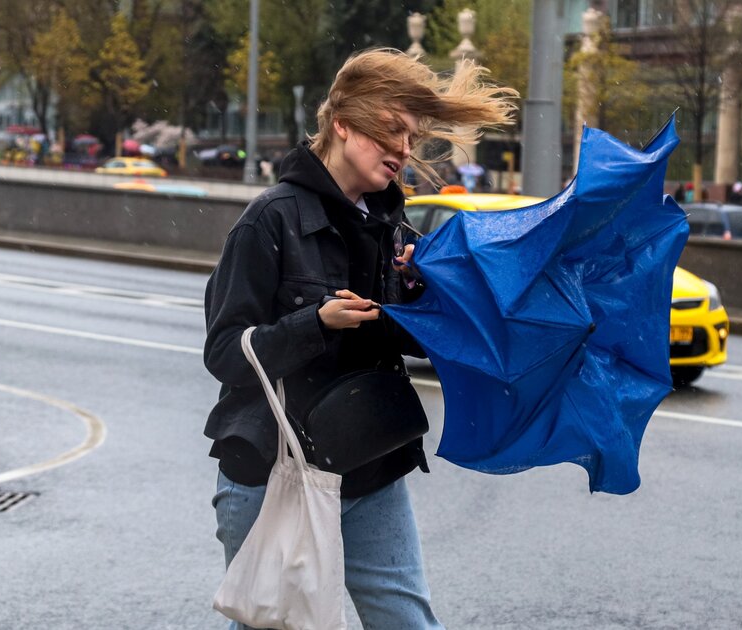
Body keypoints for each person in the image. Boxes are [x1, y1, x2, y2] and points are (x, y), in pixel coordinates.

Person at [203, 48, 516, 629]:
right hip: (274, 471)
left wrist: (428, 294)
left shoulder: (393, 228)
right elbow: (225, 353)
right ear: (343, 122)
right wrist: (314, 324)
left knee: (408, 621)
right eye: (391, 131)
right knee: (273, 625)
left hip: (369, 462)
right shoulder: (268, 222)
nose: (403, 149)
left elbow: (415, 343)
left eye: (412, 137)